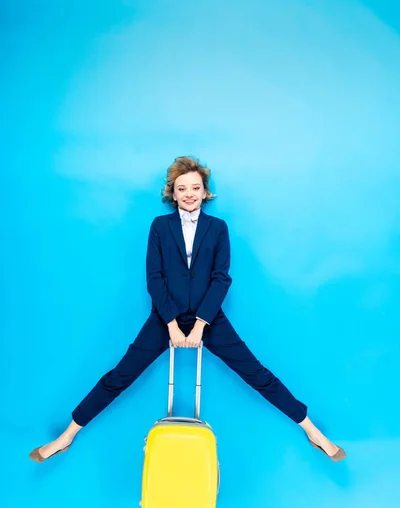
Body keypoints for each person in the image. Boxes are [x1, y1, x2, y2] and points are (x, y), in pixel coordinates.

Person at [29, 156, 346, 463]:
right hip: (164, 316)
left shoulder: (218, 227)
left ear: (205, 191)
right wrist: (170, 324)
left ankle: (312, 431)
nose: (189, 194)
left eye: (195, 187)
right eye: (182, 188)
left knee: (258, 374)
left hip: (209, 318)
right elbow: (154, 277)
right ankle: (66, 436)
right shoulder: (159, 226)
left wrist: (198, 326)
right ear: (173, 193)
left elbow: (221, 278)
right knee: (119, 376)